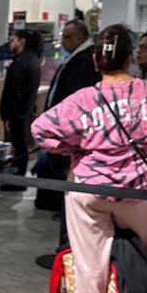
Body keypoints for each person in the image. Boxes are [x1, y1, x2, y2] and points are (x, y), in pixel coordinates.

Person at [32, 24, 147, 293]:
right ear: (130, 58)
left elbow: (41, 129)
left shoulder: (83, 98)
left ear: (95, 61)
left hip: (88, 185)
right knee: (146, 250)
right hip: (136, 185)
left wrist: (76, 149)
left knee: (90, 253)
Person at [36, 20, 100, 210]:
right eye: (63, 36)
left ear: (80, 38)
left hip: (68, 131)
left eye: (67, 37)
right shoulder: (76, 58)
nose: (63, 41)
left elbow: (76, 96)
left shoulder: (85, 60)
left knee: (64, 170)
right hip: (60, 128)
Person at [0, 29, 42, 190]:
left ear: (21, 41)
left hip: (17, 112)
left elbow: (13, 91)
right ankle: (19, 178)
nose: (11, 42)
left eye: (14, 39)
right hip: (25, 110)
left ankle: (18, 181)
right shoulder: (33, 61)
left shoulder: (19, 63)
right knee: (21, 144)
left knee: (19, 145)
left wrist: (8, 115)